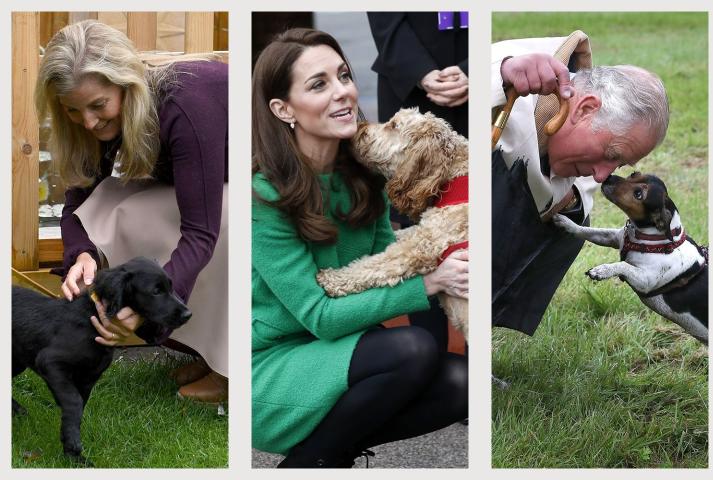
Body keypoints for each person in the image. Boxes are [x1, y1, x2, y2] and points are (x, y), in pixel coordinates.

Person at [250, 28, 468, 468]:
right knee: (412, 350)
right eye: (319, 85)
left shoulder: (365, 177)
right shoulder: (265, 198)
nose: (343, 93)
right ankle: (308, 464)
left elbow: (392, 264)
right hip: (276, 367)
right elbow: (320, 318)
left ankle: (330, 452)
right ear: (283, 109)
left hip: (349, 352)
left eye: (344, 76)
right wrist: (431, 282)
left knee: (462, 384)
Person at [36, 20, 228, 402]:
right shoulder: (103, 119)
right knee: (112, 200)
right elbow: (82, 198)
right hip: (219, 186)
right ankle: (207, 352)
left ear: (127, 85)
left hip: (272, 189)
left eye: (97, 105)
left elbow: (201, 234)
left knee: (227, 224)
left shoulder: (185, 106)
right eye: (73, 111)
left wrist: (151, 314)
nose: (88, 121)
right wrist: (82, 254)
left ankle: (233, 367)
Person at [491, 32, 670, 335]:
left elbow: (576, 195)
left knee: (572, 222)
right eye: (611, 155)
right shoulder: (507, 66)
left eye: (618, 165)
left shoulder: (581, 152)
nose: (601, 176)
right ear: (585, 108)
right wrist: (502, 74)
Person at [368, 11, 469, 349]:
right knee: (417, 230)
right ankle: (431, 351)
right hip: (410, 86)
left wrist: (474, 69)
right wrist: (420, 72)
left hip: (474, 89)